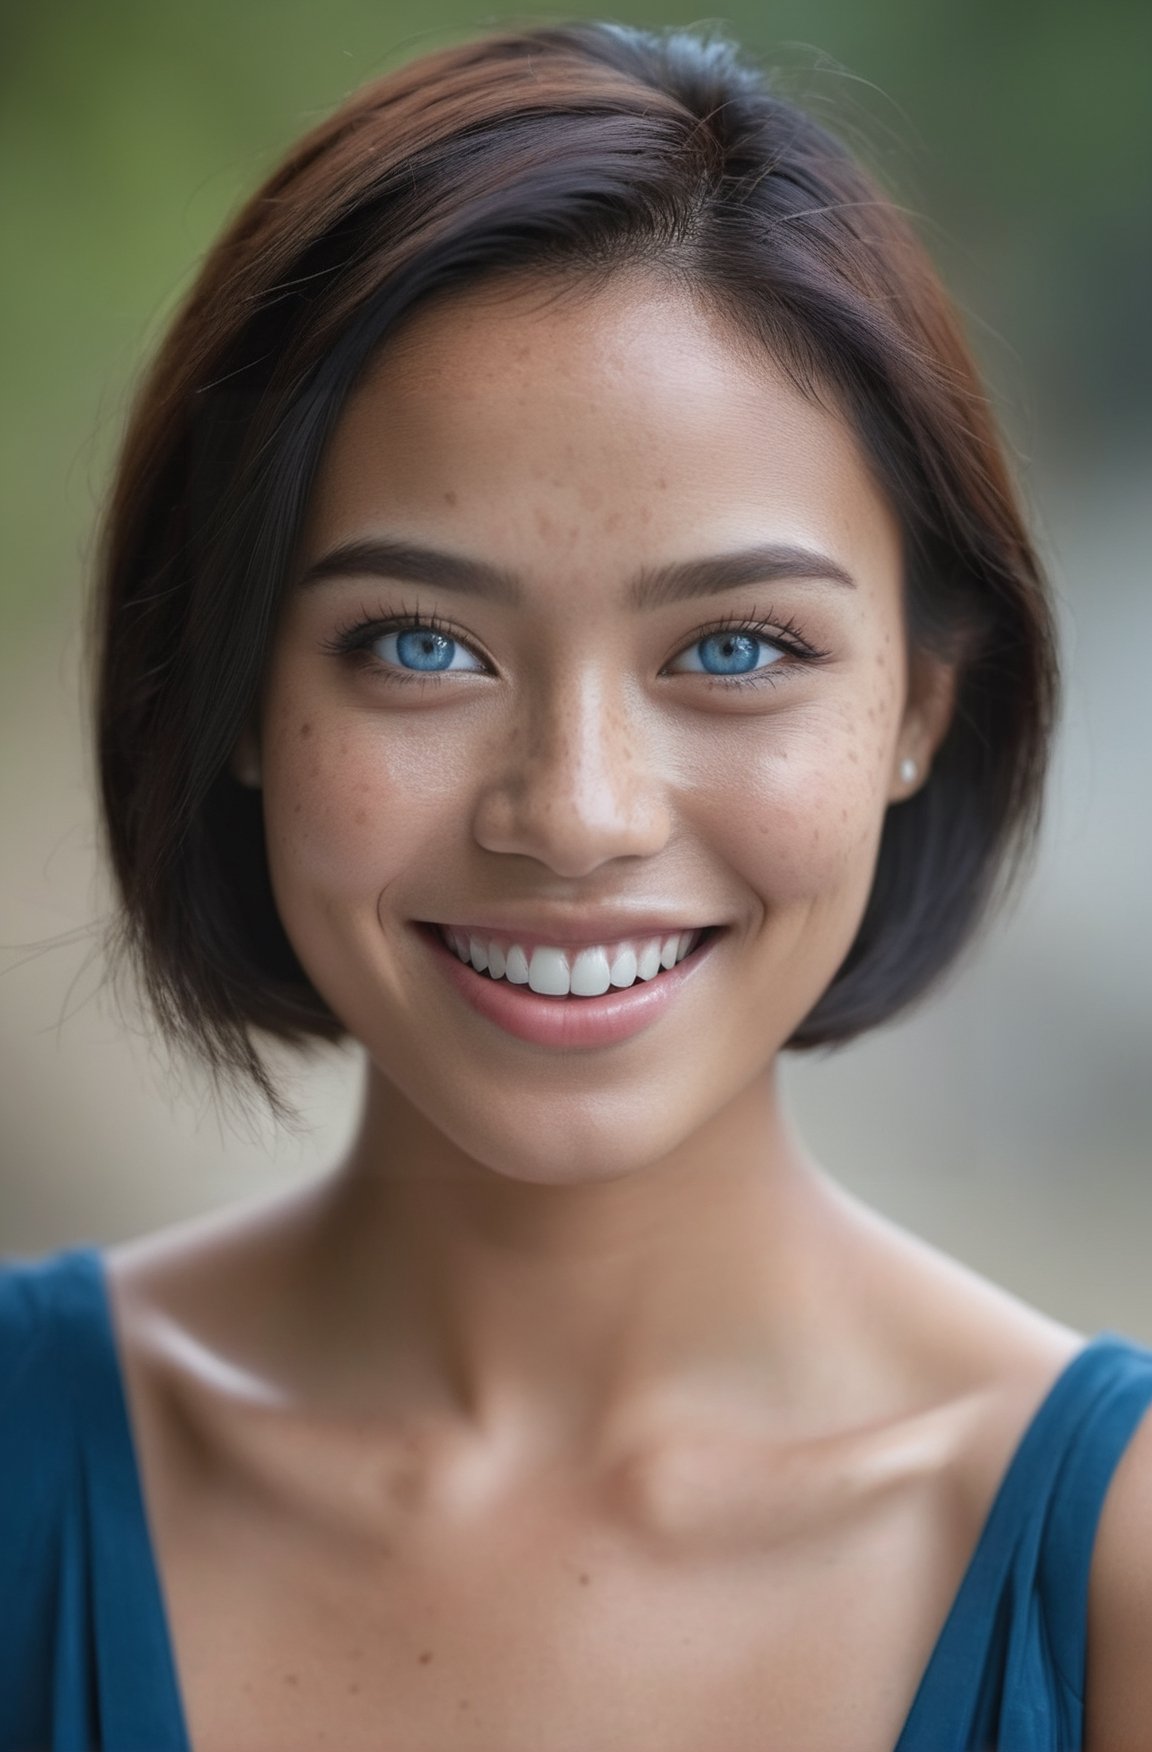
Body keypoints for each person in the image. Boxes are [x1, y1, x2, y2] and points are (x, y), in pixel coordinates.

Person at [2, 19, 1150, 1751]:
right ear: (236, 691)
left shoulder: (1115, 1573)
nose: (579, 813)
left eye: (740, 646)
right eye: (417, 643)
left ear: (919, 707)